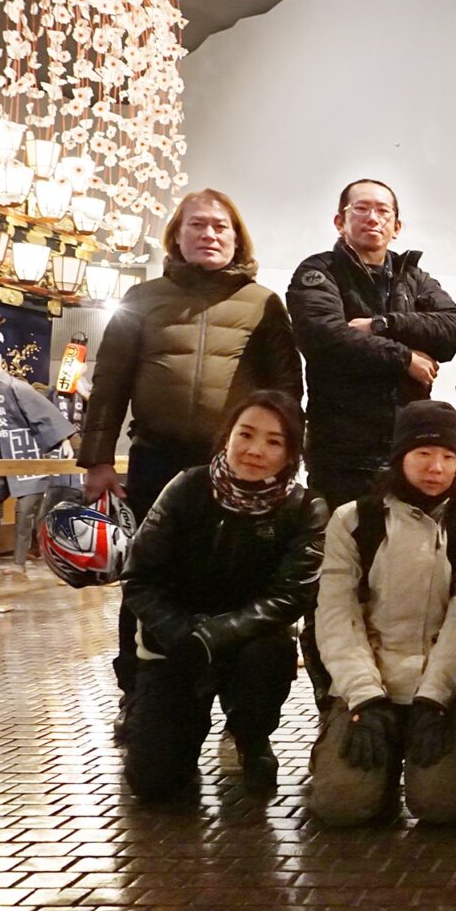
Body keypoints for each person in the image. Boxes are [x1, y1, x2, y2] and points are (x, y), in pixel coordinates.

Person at [75, 190, 302, 710]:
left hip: (238, 467)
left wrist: (286, 459)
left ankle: (238, 702)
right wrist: (98, 460)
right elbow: (109, 383)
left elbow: (287, 390)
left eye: (221, 226)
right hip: (156, 459)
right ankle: (139, 689)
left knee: (242, 575)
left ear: (237, 238)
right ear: (176, 235)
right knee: (148, 574)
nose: (209, 234)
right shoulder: (142, 298)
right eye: (197, 225)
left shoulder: (264, 303)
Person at [120, 391, 329, 800]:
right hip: (176, 642)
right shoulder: (187, 486)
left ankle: (251, 736)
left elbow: (291, 595)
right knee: (154, 784)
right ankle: (184, 727)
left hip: (250, 641)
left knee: (267, 657)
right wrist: (181, 634)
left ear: (291, 454)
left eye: (273, 441)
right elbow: (139, 576)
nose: (255, 450)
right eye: (245, 434)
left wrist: (214, 637)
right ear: (227, 436)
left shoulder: (305, 508)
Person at [309, 401, 456, 828]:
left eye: (449, 456)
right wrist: (364, 698)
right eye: (423, 453)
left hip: (440, 693)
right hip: (369, 688)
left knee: (441, 807)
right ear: (399, 456)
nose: (436, 467)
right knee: (342, 806)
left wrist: (435, 699)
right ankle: (356, 752)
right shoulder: (354, 520)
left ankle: (451, 748)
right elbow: (337, 617)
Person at [287, 179, 456, 507]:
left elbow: (453, 329)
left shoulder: (413, 277)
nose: (373, 217)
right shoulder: (319, 271)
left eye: (383, 211)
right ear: (340, 221)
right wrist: (404, 358)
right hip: (342, 454)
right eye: (361, 208)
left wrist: (382, 324)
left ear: (396, 227)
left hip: (406, 451)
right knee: (343, 537)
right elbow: (325, 339)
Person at [0, 347, 76, 576]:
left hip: (26, 458)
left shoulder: (18, 388)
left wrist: (64, 440)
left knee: (24, 512)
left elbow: (46, 414)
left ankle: (19, 562)